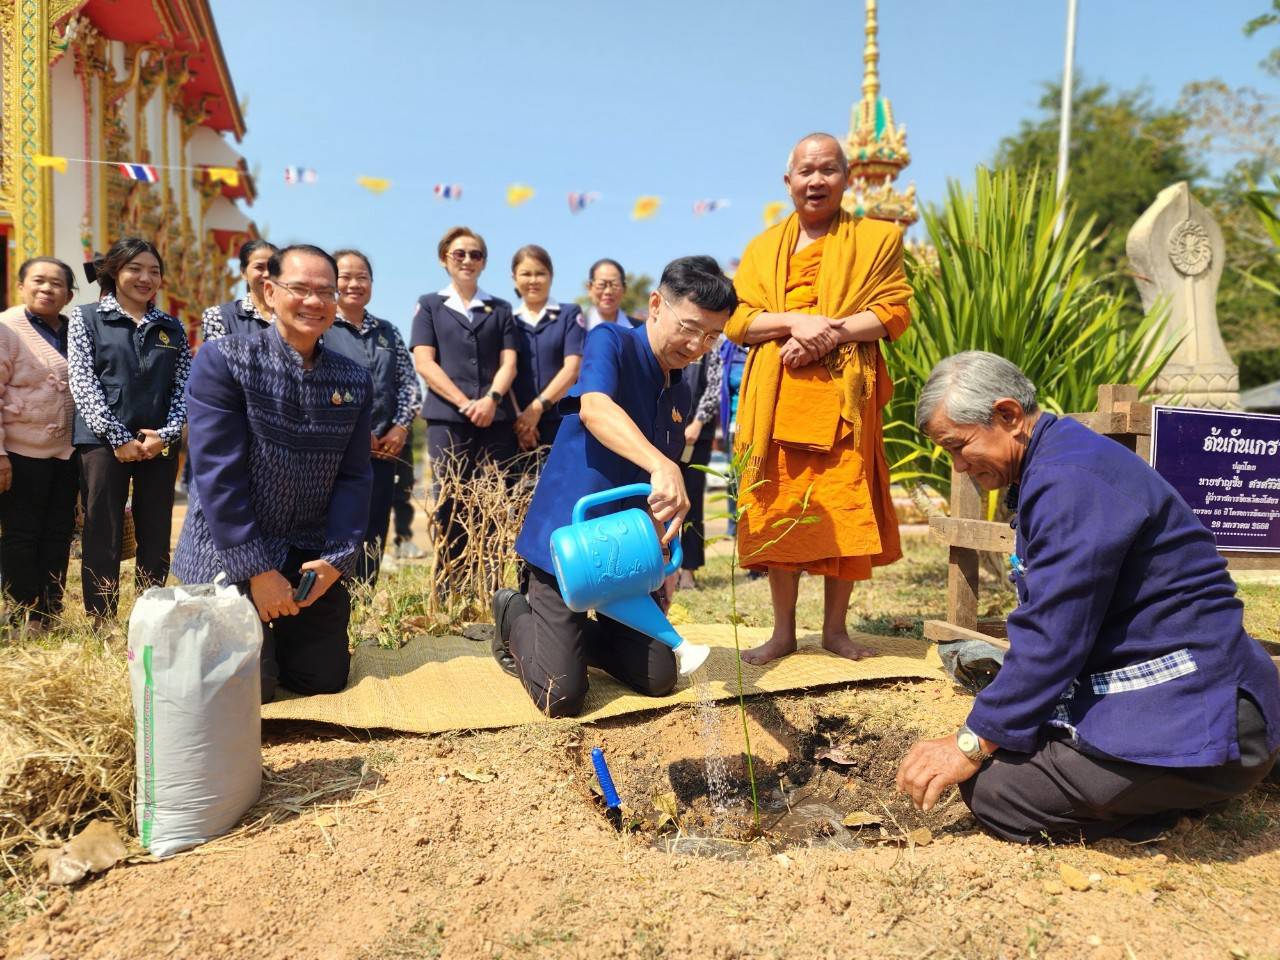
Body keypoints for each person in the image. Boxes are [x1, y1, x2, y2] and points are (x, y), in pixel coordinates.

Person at [895, 351, 1280, 844]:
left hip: (1210, 713)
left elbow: (1054, 635)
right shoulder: (1061, 461)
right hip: (1210, 700)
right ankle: (1181, 784)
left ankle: (1175, 803)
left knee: (997, 791)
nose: (958, 465)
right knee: (1016, 746)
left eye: (958, 445)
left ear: (1008, 415)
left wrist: (971, 742)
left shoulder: (1068, 482)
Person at [491, 256, 737, 717]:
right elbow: (595, 408)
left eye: (712, 336)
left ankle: (566, 640)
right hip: (567, 547)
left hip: (624, 555)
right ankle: (514, 615)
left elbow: (655, 491)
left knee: (659, 676)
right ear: (656, 304)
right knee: (561, 696)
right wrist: (663, 464)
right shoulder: (612, 341)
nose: (697, 345)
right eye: (689, 328)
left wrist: (662, 558)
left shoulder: (680, 390)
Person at [725, 132, 911, 665]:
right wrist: (795, 322)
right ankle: (782, 632)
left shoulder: (877, 240)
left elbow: (893, 312)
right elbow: (739, 321)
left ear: (846, 179)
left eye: (828, 169)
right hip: (777, 401)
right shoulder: (763, 249)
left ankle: (835, 630)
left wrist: (828, 334)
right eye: (806, 171)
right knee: (780, 508)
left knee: (842, 506)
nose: (816, 180)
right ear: (788, 181)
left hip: (845, 402)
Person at [173, 244, 373, 702]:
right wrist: (257, 571)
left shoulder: (353, 378)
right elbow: (217, 475)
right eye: (299, 289)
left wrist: (336, 559)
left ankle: (277, 643)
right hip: (230, 550)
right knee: (249, 691)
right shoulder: (225, 359)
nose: (314, 302)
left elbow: (354, 476)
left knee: (322, 681)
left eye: (325, 292)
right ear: (269, 291)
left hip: (306, 553)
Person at [68, 237, 191, 621]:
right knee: (102, 527)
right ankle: (101, 618)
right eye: (135, 269)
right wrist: (117, 437)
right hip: (102, 442)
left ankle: (151, 616)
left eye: (154, 271)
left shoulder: (172, 326)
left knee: (155, 528)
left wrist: (166, 434)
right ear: (115, 272)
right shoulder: (86, 318)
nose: (145, 278)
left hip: (158, 443)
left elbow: (184, 388)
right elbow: (82, 383)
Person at [410, 227, 518, 577]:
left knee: (492, 500)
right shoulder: (430, 305)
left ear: (484, 262)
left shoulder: (500, 308)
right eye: (459, 253)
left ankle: (489, 582)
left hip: (495, 419)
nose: (467, 260)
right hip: (447, 419)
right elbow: (425, 362)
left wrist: (490, 399)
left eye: (476, 254)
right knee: (449, 499)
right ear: (444, 259)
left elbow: (509, 363)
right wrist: (464, 403)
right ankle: (449, 583)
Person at [327, 249, 422, 586]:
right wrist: (356, 431)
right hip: (335, 453)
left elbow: (409, 384)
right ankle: (332, 598)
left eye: (362, 277)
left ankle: (364, 598)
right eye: (345, 277)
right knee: (336, 526)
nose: (354, 284)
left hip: (383, 452)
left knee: (375, 526)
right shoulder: (321, 326)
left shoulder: (388, 332)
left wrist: (401, 427)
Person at [0, 257, 78, 633]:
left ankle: (48, 612)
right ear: (21, 286)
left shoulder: (75, 331)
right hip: (19, 450)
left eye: (57, 284)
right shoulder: (6, 327)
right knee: (21, 534)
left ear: (69, 295)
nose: (47, 289)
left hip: (66, 452)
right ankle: (19, 612)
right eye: (38, 281)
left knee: (58, 533)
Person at [509, 244, 585, 455]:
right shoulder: (507, 320)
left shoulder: (569, 315)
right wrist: (522, 419)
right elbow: (503, 370)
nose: (533, 280)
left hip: (562, 422)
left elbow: (572, 368)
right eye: (526, 274)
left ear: (551, 276)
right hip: (519, 430)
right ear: (514, 278)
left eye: (540, 273)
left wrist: (536, 409)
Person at [675, 342, 721, 590]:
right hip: (668, 433)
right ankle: (663, 568)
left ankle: (688, 570)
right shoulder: (673, 342)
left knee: (692, 502)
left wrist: (698, 423)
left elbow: (714, 388)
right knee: (662, 501)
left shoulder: (712, 348)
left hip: (697, 437)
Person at [201, 239, 279, 342]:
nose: (267, 274)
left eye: (272, 267)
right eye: (259, 267)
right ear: (243, 272)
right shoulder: (218, 316)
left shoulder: (292, 316)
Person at [584, 259, 640, 331]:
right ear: (589, 288)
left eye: (615, 285)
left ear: (624, 289)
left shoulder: (639, 330)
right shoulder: (578, 329)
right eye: (601, 285)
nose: (608, 291)